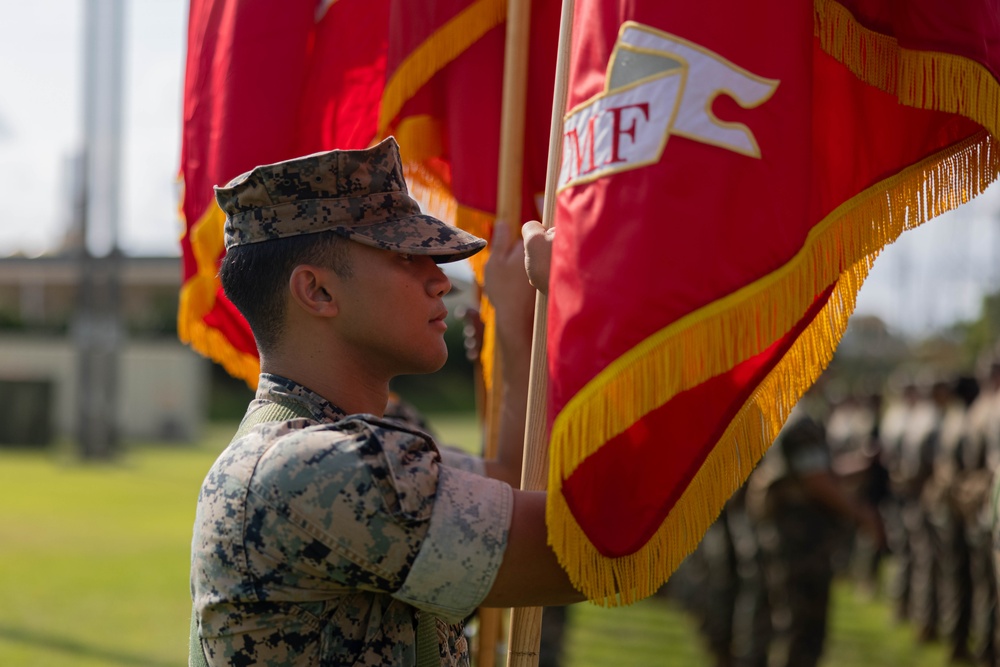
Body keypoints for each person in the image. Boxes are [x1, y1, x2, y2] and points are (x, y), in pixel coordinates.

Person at [189, 137, 581, 667]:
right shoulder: (315, 469)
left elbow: (510, 479)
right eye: (405, 256)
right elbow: (594, 546)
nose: (440, 281)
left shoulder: (336, 442)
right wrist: (589, 302)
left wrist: (518, 331)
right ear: (318, 292)